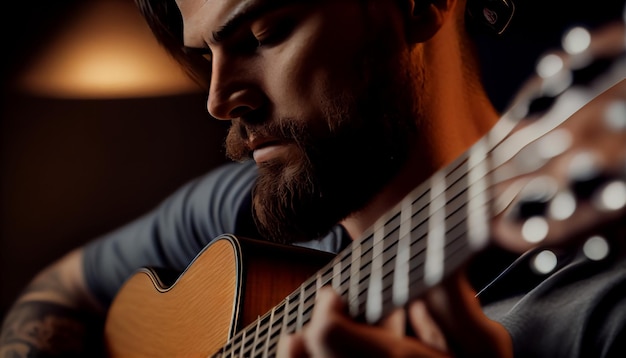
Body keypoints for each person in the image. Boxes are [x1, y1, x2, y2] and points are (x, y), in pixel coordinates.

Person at [1, 0, 625, 356]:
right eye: (203, 55)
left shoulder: (599, 319)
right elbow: (60, 289)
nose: (219, 99)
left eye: (265, 32)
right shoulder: (237, 218)